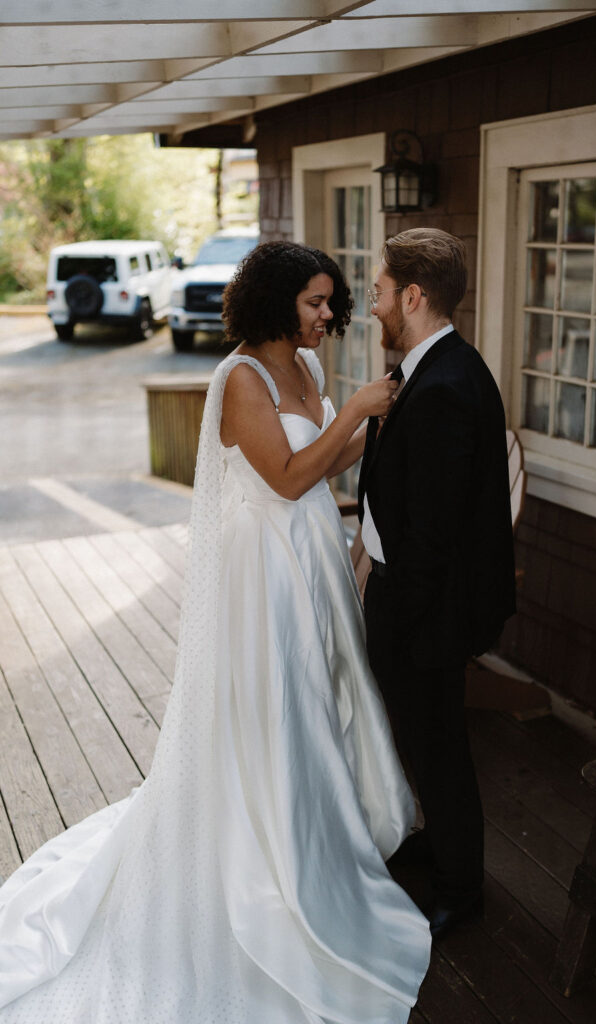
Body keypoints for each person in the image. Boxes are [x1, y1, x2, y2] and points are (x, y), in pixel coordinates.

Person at [0, 242, 431, 1023]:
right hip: (261, 569)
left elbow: (329, 464)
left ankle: (314, 845)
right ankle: (259, 859)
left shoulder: (309, 368)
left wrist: (383, 426)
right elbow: (290, 475)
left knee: (313, 704)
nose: (328, 314)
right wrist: (363, 412)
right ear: (273, 302)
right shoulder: (240, 379)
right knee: (270, 708)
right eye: (314, 302)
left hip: (311, 558)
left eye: (332, 300)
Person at [358, 228, 516, 941]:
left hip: (429, 609)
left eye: (380, 292)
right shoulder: (435, 368)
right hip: (418, 598)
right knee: (424, 740)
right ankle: (439, 844)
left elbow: (433, 532)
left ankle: (460, 887)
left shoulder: (446, 385)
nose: (372, 306)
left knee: (440, 745)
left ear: (413, 296)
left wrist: (392, 609)